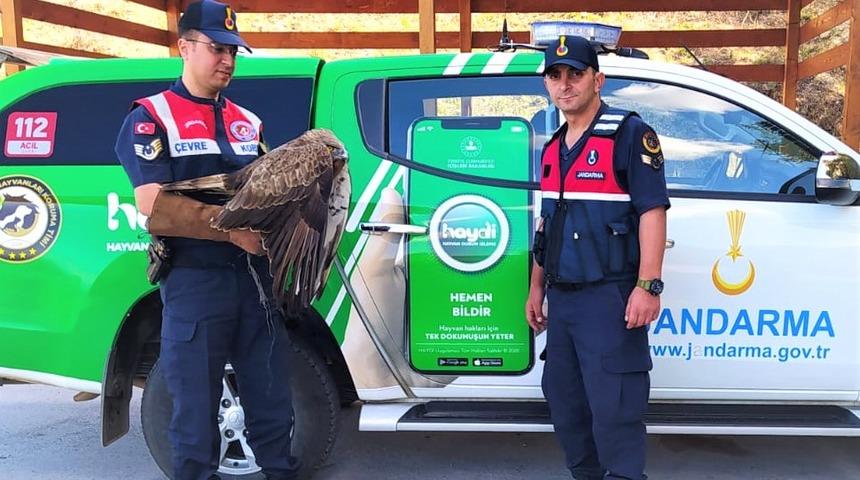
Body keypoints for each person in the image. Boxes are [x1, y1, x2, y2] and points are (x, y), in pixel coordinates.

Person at [114, 1, 299, 479]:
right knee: (195, 419)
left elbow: (268, 194)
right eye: (217, 48)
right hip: (195, 283)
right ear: (185, 47)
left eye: (234, 51)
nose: (228, 61)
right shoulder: (151, 117)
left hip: (256, 283)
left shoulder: (249, 122)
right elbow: (154, 205)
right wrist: (234, 232)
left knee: (274, 406)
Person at [525, 35, 669, 480]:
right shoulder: (552, 149)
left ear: (597, 80)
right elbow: (547, 225)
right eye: (555, 76)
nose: (565, 84)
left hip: (610, 299)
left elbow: (652, 211)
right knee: (566, 406)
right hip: (564, 303)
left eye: (575, 74)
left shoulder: (629, 135)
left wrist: (648, 286)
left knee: (615, 410)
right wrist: (535, 287)